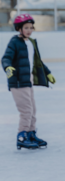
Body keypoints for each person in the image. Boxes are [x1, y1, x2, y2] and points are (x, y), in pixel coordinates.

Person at [3, 14, 54, 150]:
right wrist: (8, 67)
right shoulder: (15, 42)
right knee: (26, 110)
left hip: (28, 80)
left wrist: (47, 73)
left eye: (31, 27)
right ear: (19, 28)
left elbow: (37, 61)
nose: (29, 30)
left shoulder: (30, 42)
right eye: (26, 27)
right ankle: (21, 136)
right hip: (18, 80)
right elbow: (6, 58)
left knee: (33, 109)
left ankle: (31, 134)